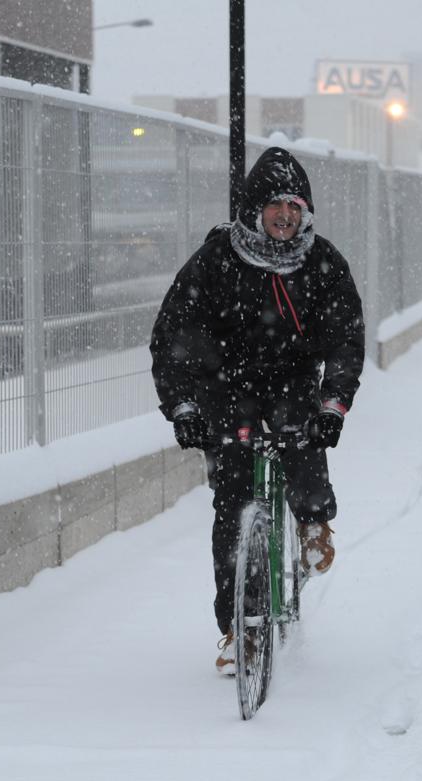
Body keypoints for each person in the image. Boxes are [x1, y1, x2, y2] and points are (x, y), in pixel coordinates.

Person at [150, 146, 365, 675]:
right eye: (275, 206)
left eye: (295, 205)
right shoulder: (218, 259)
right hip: (228, 385)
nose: (286, 216)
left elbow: (345, 338)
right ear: (253, 210)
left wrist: (334, 404)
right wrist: (182, 406)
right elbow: (172, 334)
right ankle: (235, 630)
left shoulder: (322, 263)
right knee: (234, 499)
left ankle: (313, 523)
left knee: (301, 429)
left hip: (292, 377)